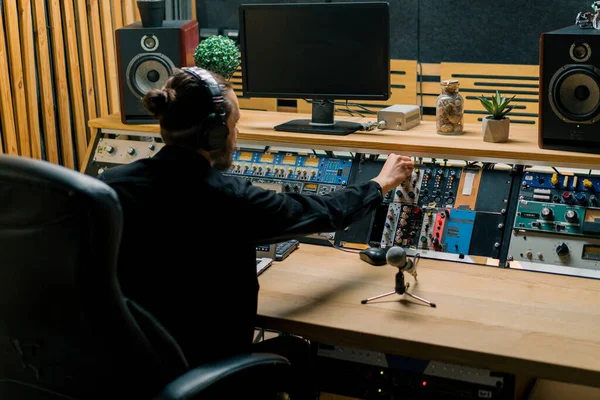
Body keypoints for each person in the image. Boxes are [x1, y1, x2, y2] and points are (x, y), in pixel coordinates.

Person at [98, 67, 414, 398]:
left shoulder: (109, 187)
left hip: (128, 369)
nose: (235, 137)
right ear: (215, 136)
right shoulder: (230, 199)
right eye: (233, 127)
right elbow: (324, 212)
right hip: (202, 371)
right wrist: (379, 184)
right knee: (297, 351)